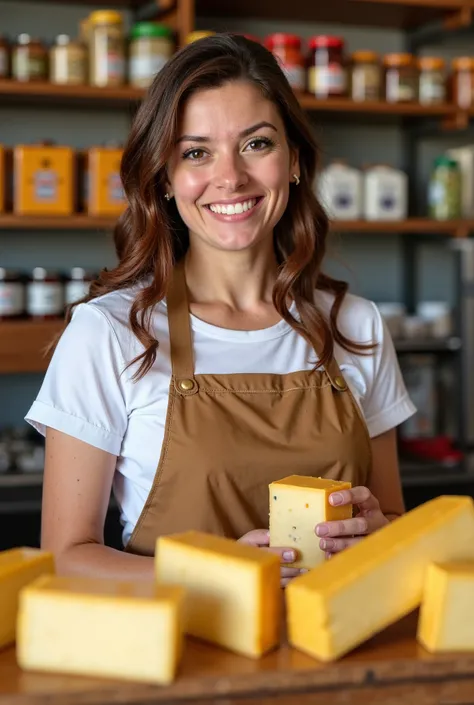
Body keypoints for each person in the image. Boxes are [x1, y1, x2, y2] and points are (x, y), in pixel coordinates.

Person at [26, 34, 416, 586]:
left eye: (256, 144)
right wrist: (217, 574)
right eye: (196, 152)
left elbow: (394, 523)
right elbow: (66, 556)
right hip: (179, 658)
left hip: (335, 651)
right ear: (165, 178)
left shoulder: (354, 325)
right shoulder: (110, 332)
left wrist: (381, 534)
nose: (230, 177)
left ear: (295, 160)